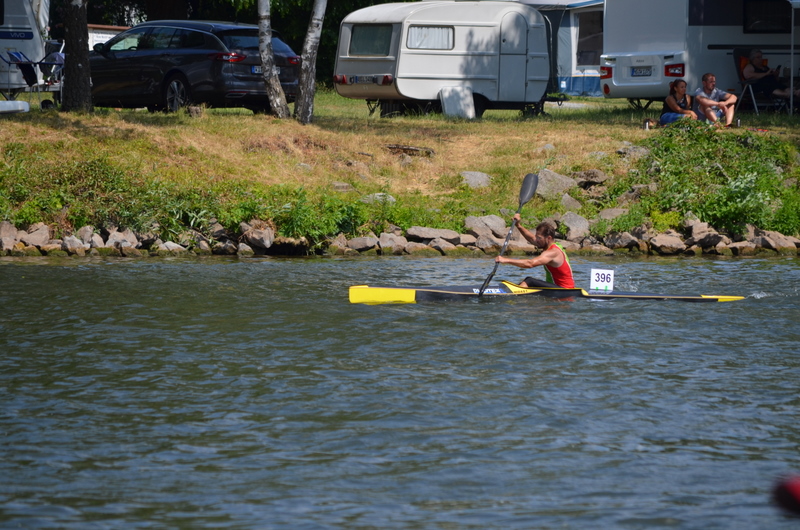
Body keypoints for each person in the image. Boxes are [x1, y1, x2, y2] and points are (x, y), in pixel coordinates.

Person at [494, 215, 575, 289]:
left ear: (548, 238)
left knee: (529, 281)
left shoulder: (553, 252)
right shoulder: (550, 244)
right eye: (537, 237)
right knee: (527, 282)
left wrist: (505, 260)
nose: (536, 240)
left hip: (564, 290)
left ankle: (514, 294)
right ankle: (514, 290)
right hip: (555, 288)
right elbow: (531, 238)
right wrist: (518, 225)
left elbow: (530, 263)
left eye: (539, 238)